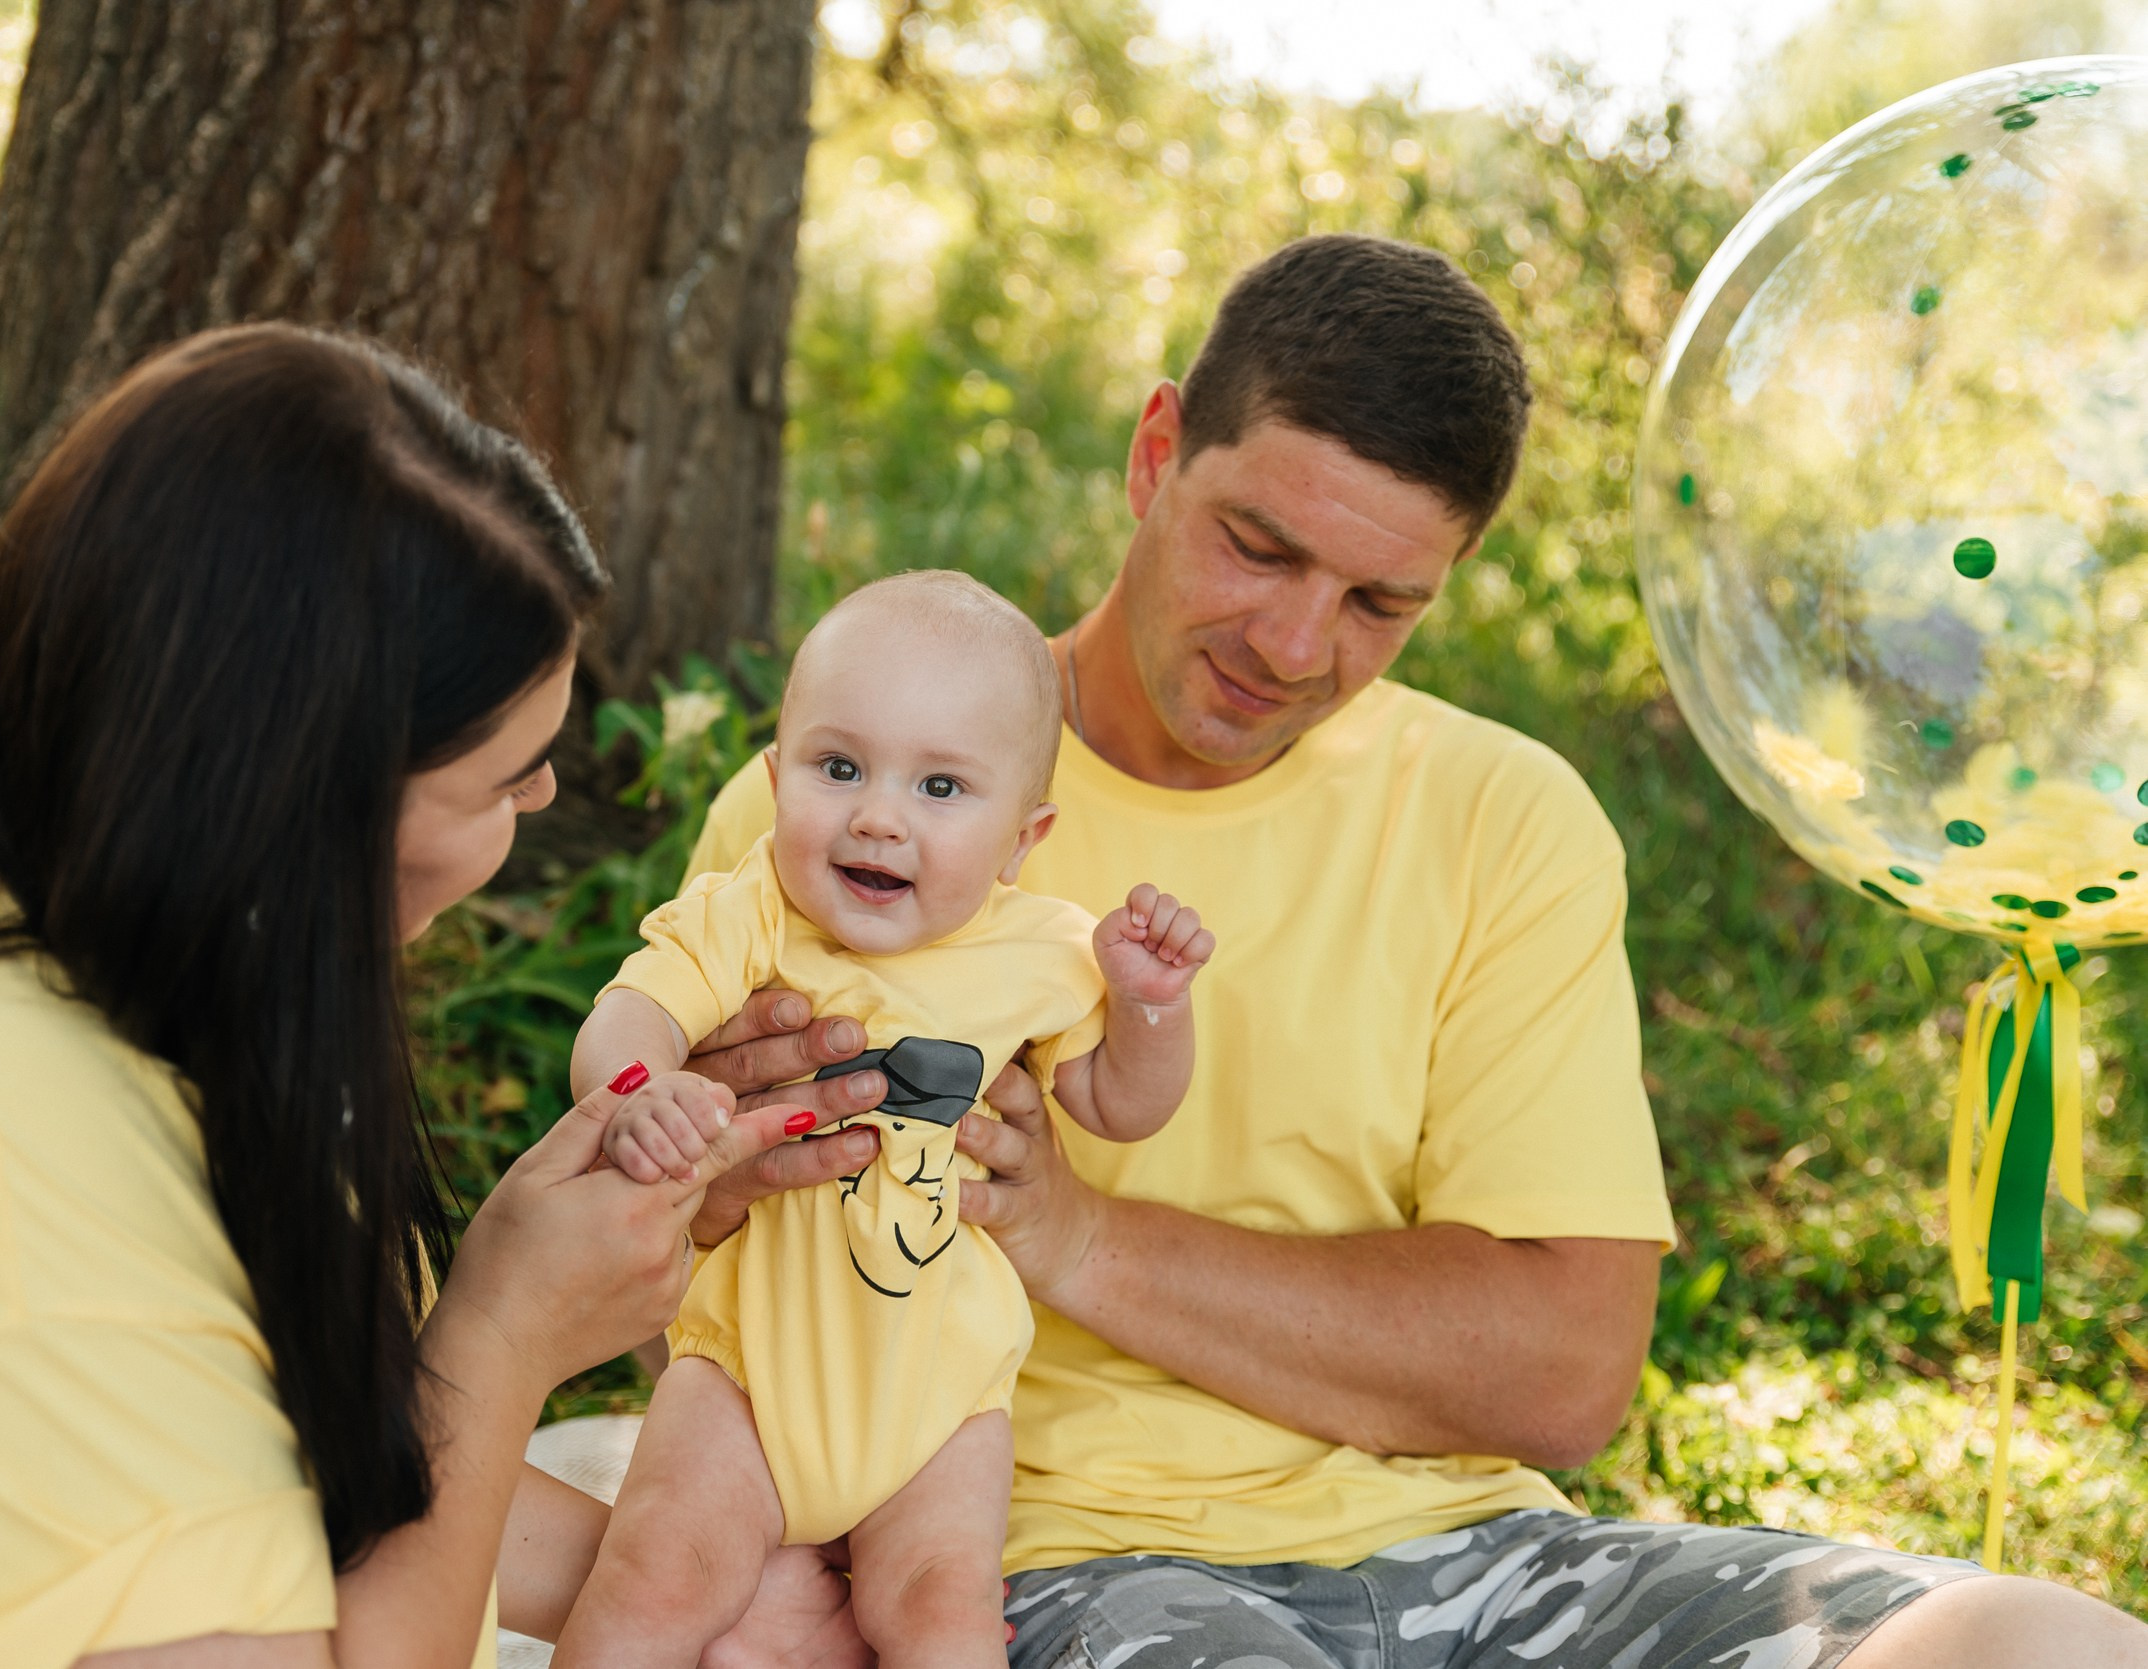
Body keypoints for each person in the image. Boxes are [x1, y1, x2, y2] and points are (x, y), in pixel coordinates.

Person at [666, 236, 2148, 1666]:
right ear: (1154, 453)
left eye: (1383, 602)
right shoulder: (843, 818)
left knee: (2050, 1646)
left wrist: (1080, 1235)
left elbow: (1565, 1369)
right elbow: (687, 1280)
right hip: (1072, 1568)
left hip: (1489, 1557)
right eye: (1261, 547)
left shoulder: (1507, 816)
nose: (1298, 646)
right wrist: (715, 1181)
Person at [0, 325, 864, 1669]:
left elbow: (286, 1490)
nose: (545, 799)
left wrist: (726, 1599)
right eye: (503, 777)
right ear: (300, 803)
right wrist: (504, 1337)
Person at [555, 573, 1213, 1667]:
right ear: (775, 781)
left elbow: (1117, 1105)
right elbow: (631, 1012)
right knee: (658, 1566)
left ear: (1021, 835)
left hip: (939, 1392)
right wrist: (641, 1090)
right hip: (745, 1370)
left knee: (939, 1610)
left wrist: (1150, 1001)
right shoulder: (751, 908)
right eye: (840, 766)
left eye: (941, 787)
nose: (878, 814)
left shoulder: (1042, 951)